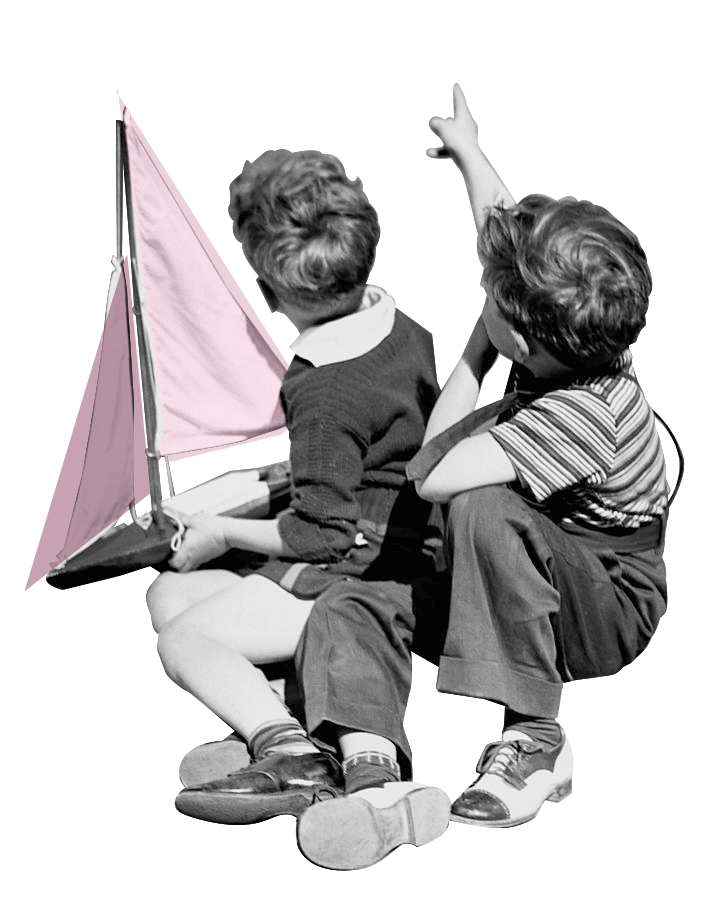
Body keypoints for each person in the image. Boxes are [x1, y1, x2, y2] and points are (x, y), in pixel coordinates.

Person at [293, 83, 669, 853]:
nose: (482, 291)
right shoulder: (577, 331)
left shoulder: (581, 416)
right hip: (532, 567)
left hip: (604, 601)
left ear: (523, 340)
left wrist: (474, 349)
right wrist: (469, 150)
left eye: (491, 297)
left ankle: (535, 739)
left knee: (481, 508)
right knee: (360, 597)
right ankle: (369, 766)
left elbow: (431, 471)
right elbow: (506, 235)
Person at [145, 148, 450, 847]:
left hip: (362, 571)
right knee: (171, 594)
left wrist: (222, 530)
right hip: (399, 540)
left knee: (181, 639)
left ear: (267, 290)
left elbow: (319, 535)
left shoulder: (322, 389)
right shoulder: (398, 322)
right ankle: (282, 708)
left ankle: (291, 753)